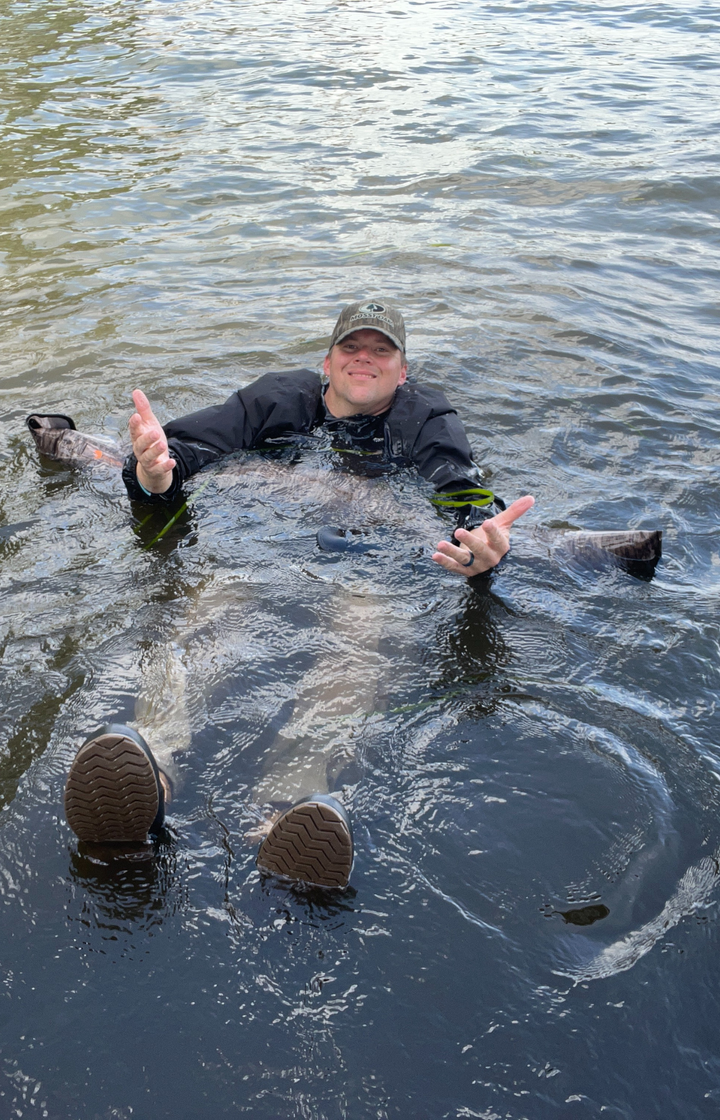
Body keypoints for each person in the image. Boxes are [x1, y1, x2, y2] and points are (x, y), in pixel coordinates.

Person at [63, 299, 535, 889]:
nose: (365, 358)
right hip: (258, 554)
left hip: (367, 570)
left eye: (381, 351)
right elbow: (183, 449)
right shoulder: (278, 399)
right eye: (352, 348)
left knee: (359, 632)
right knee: (212, 604)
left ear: (403, 370)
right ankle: (149, 772)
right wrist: (155, 475)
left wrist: (480, 549)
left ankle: (285, 813)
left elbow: (459, 493)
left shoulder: (427, 421)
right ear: (328, 362)